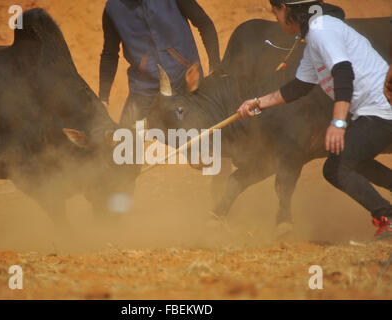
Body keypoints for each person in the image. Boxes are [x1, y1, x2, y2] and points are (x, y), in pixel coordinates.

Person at [237, 0, 392, 239]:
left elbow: (343, 72)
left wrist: (338, 123)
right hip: (374, 111)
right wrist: (257, 104)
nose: (276, 18)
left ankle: (387, 218)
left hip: (381, 109)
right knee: (353, 160)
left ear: (287, 9)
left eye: (276, 11)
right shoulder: (313, 41)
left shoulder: (321, 29)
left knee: (336, 167)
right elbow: (299, 87)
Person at [99, 0, 220, 126]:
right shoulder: (113, 9)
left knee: (198, 134)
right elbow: (110, 54)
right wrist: (103, 97)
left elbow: (204, 23)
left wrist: (215, 66)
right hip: (145, 91)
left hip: (184, 84)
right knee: (125, 140)